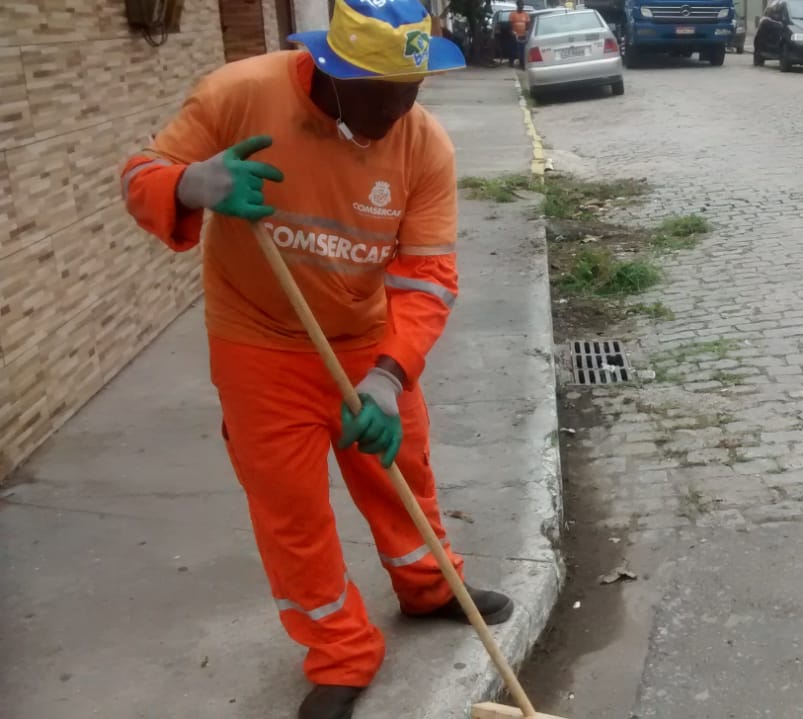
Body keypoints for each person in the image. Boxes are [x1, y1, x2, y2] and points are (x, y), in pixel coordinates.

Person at [118, 1, 509, 718]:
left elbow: (427, 278)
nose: (397, 111)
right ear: (331, 69)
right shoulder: (240, 94)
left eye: (412, 89)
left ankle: (428, 585)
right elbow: (141, 173)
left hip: (364, 338)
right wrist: (187, 185)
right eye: (380, 93)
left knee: (401, 471)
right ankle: (340, 650)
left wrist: (389, 378)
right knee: (289, 507)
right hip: (258, 338)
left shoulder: (424, 146)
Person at [510, 1, 531, 68]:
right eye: (520, 5)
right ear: (517, 5)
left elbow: (527, 24)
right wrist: (513, 32)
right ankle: (511, 62)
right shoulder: (513, 14)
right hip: (515, 35)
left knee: (522, 50)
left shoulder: (525, 14)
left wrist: (527, 32)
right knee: (513, 50)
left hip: (523, 35)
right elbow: (510, 24)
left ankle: (522, 64)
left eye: (522, 5)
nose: (521, 7)